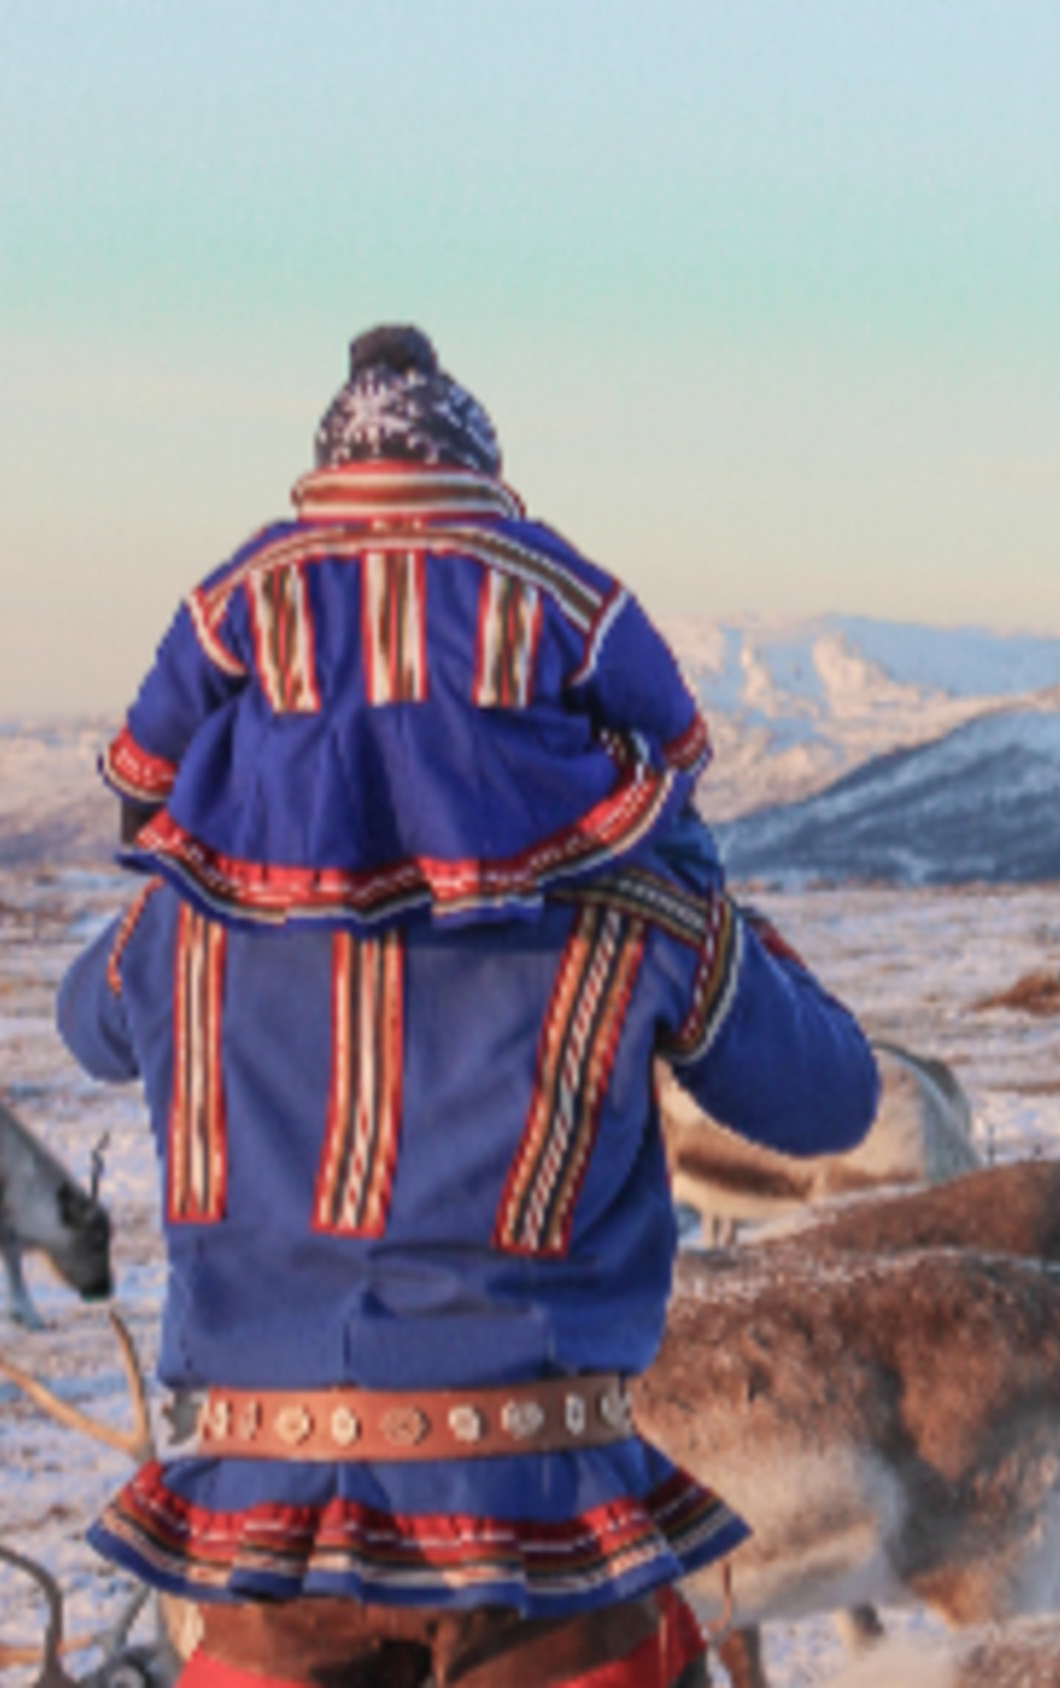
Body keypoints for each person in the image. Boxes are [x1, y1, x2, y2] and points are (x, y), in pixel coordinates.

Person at [58, 333, 881, 1688]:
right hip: (543, 1527)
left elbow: (84, 1025)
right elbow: (828, 1096)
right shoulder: (631, 895)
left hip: (265, 1539)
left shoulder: (178, 912)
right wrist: (690, 883)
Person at [98, 324, 719, 928]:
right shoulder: (547, 575)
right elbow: (674, 729)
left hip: (290, 855)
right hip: (512, 850)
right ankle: (707, 933)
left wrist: (150, 815)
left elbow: (154, 739)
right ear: (478, 463)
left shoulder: (255, 576)